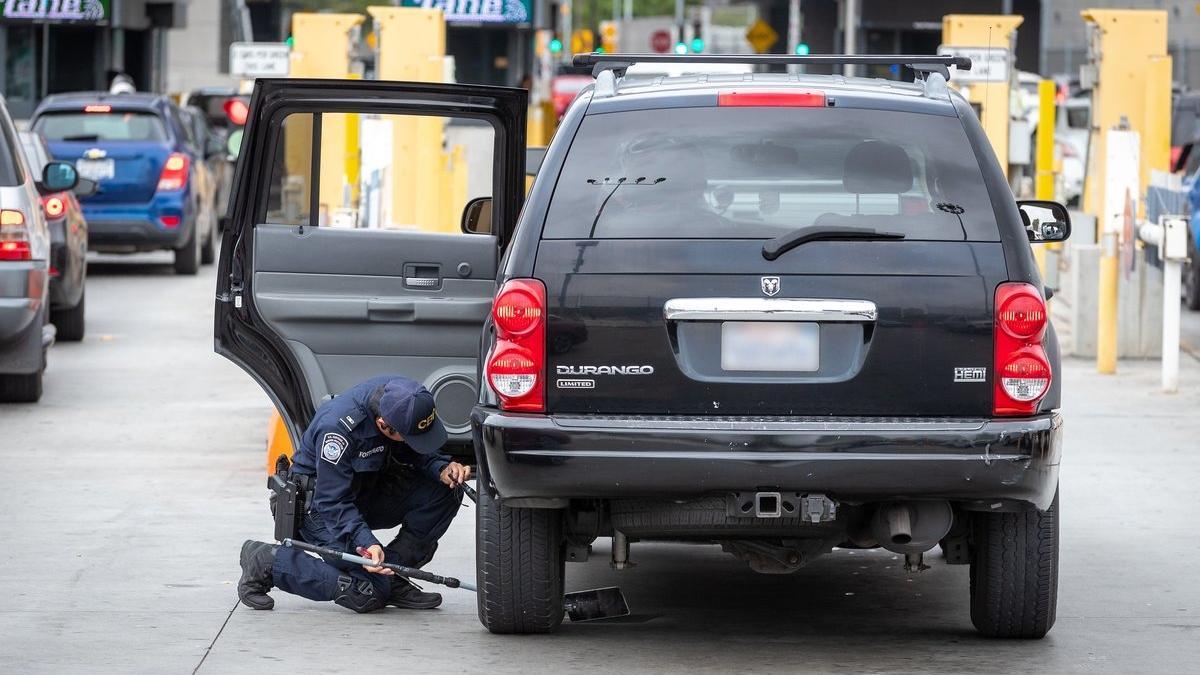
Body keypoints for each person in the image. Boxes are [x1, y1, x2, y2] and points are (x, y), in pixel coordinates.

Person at [237, 376, 471, 613]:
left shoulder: (404, 398)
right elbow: (332, 502)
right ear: (383, 424)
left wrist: (442, 467)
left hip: (363, 491)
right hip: (319, 510)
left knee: (447, 489)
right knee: (367, 593)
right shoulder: (336, 430)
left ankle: (392, 575)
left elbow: (414, 446)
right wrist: (366, 543)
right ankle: (269, 562)